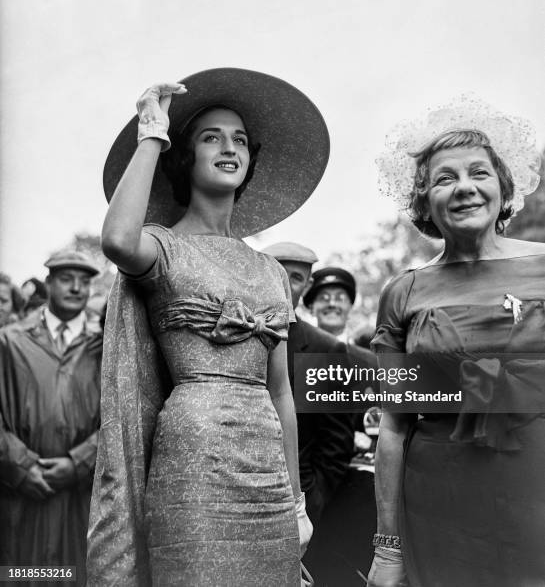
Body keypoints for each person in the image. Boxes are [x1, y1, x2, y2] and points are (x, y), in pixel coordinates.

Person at [87, 68, 330, 586]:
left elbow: (281, 391)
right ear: (185, 156)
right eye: (211, 137)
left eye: (239, 139)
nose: (229, 147)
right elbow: (117, 241)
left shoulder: (269, 270)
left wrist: (295, 501)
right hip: (192, 464)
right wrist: (153, 133)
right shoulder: (162, 245)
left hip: (266, 471)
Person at [368, 98, 545, 587]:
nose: (465, 187)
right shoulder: (402, 293)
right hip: (440, 510)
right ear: (424, 201)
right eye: (445, 178)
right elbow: (394, 428)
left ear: (503, 187)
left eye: (479, 173)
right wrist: (387, 550)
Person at [264, 242, 378, 586]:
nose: (285, 284)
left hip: (303, 510)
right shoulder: (237, 334)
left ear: (305, 286)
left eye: (296, 277)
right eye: (278, 272)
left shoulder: (324, 350)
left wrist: (310, 506)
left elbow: (334, 446)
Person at [0, 250, 102, 586]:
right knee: (19, 575)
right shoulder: (10, 341)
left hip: (80, 496)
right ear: (48, 283)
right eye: (65, 278)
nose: (76, 288)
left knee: (75, 575)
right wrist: (20, 465)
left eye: (84, 281)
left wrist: (78, 463)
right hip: (20, 491)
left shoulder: (103, 346)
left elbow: (118, 419)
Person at [304, 266, 357, 343]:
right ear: (311, 308)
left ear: (350, 308)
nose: (332, 304)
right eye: (324, 298)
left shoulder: (368, 351)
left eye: (340, 298)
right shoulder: (296, 350)